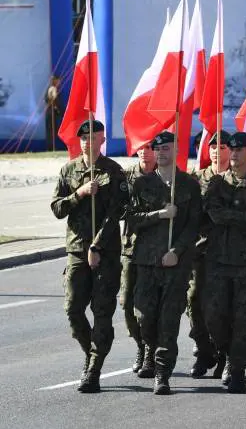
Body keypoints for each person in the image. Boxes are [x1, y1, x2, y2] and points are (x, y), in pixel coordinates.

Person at [50, 119, 127, 393]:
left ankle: (93, 370)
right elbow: (57, 208)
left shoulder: (114, 172)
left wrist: (96, 246)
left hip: (104, 253)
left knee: (102, 313)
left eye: (94, 137)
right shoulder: (68, 170)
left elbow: (114, 214)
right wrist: (79, 194)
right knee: (73, 310)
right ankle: (91, 352)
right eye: (84, 138)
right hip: (76, 251)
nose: (88, 142)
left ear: (102, 140)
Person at [127, 131, 201, 395]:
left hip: (175, 264)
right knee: (144, 317)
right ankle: (148, 346)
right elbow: (131, 220)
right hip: (146, 261)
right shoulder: (142, 184)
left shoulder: (189, 186)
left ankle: (162, 374)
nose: (160, 152)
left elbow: (194, 225)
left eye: (166, 148)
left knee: (169, 320)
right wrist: (159, 214)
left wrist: (177, 251)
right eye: (157, 149)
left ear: (176, 149)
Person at [204, 132, 246, 393]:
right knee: (215, 317)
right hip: (218, 261)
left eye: (240, 149)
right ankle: (225, 351)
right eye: (232, 149)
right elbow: (216, 215)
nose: (235, 154)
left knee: (243, 319)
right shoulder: (218, 184)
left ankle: (238, 367)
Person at [188, 130, 230, 379]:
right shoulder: (195, 179)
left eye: (223, 146)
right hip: (200, 252)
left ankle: (225, 354)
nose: (217, 150)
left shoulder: (236, 179)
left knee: (221, 308)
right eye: (213, 146)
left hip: (228, 253)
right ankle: (204, 352)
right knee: (195, 303)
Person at [120, 140, 156, 374]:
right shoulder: (126, 178)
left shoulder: (168, 176)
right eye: (140, 147)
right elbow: (123, 212)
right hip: (131, 250)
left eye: (150, 147)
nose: (144, 152)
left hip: (156, 252)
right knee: (127, 305)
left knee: (149, 307)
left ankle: (151, 351)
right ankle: (140, 345)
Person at [44, 76, 63, 151]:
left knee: (51, 130)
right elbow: (54, 97)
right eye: (58, 81)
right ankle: (51, 148)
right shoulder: (53, 88)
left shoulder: (51, 88)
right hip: (51, 112)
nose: (59, 83)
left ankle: (51, 147)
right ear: (55, 81)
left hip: (50, 111)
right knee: (51, 130)